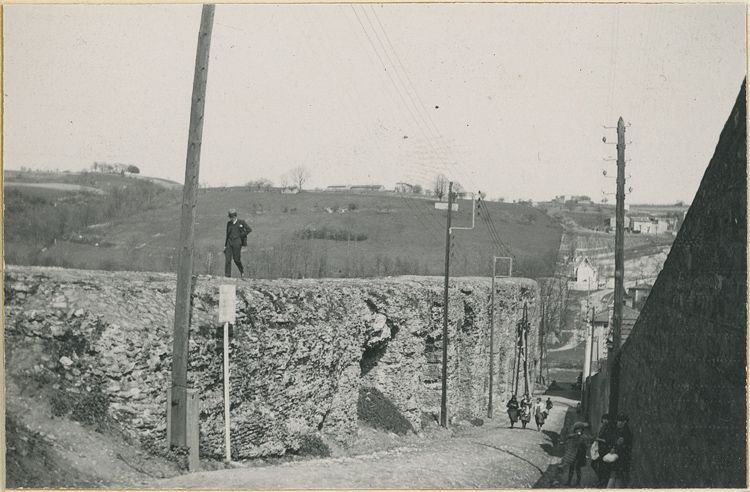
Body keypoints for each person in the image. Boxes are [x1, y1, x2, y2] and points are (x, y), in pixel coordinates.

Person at [606, 413, 633, 488]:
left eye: (622, 421)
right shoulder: (619, 431)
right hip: (620, 456)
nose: (620, 423)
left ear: (625, 422)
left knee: (616, 474)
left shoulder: (625, 433)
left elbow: (621, 444)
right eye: (619, 421)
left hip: (621, 457)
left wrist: (614, 449)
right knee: (617, 475)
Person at [591, 413, 617, 487]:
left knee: (598, 465)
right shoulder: (603, 427)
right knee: (595, 464)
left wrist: (598, 439)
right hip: (600, 449)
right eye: (604, 419)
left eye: (607, 419)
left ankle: (602, 480)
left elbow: (608, 440)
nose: (605, 421)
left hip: (605, 450)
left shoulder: (609, 428)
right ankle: (601, 479)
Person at [224, 208, 252, 278]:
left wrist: (241, 235)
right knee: (228, 259)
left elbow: (249, 229)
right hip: (229, 243)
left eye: (232, 217)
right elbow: (227, 234)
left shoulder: (241, 222)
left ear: (235, 216)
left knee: (236, 259)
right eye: (230, 217)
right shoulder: (229, 224)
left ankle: (241, 270)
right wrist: (225, 245)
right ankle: (227, 275)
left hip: (237, 242)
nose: (231, 218)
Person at [561, 422, 589, 486]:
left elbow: (586, 446)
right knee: (571, 468)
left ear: (582, 430)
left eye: (580, 429)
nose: (579, 431)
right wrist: (574, 435)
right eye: (577, 429)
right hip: (573, 454)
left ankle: (578, 482)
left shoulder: (584, 437)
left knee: (578, 468)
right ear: (575, 430)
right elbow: (568, 437)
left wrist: (582, 442)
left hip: (580, 454)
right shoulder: (573, 435)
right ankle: (569, 481)